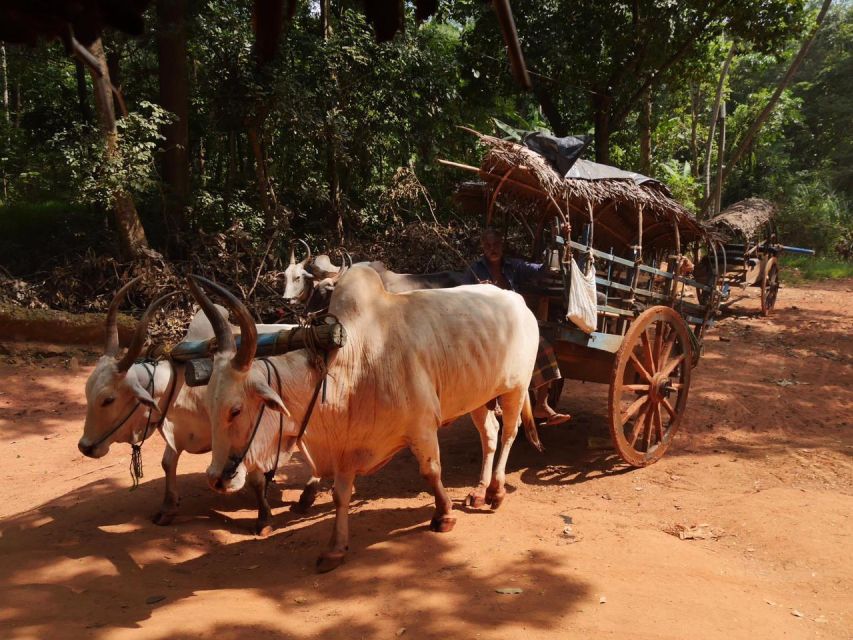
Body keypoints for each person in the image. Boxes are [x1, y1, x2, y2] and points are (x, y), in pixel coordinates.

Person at [467, 228, 571, 426]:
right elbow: (461, 293)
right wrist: (479, 289)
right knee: (493, 355)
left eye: (496, 245)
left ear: (502, 246)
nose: (492, 249)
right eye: (488, 246)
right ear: (483, 248)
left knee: (544, 347)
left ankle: (542, 404)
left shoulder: (514, 266)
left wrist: (556, 251)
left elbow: (540, 270)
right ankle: (493, 400)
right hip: (487, 325)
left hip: (514, 323)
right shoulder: (475, 269)